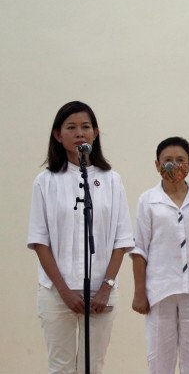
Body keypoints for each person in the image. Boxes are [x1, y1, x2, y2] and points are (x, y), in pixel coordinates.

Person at [27, 101, 134, 374]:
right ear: (57, 135)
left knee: (93, 366)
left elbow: (122, 241)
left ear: (95, 133)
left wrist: (106, 288)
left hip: (101, 292)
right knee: (60, 367)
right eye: (71, 127)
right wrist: (64, 291)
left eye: (85, 127)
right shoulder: (46, 181)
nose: (79, 133)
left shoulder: (111, 179)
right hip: (55, 292)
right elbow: (40, 241)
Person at [130, 136, 189, 374]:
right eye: (168, 160)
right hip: (160, 290)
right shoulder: (148, 200)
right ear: (157, 165)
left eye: (180, 160)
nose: (174, 165)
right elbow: (139, 250)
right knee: (159, 360)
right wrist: (139, 292)